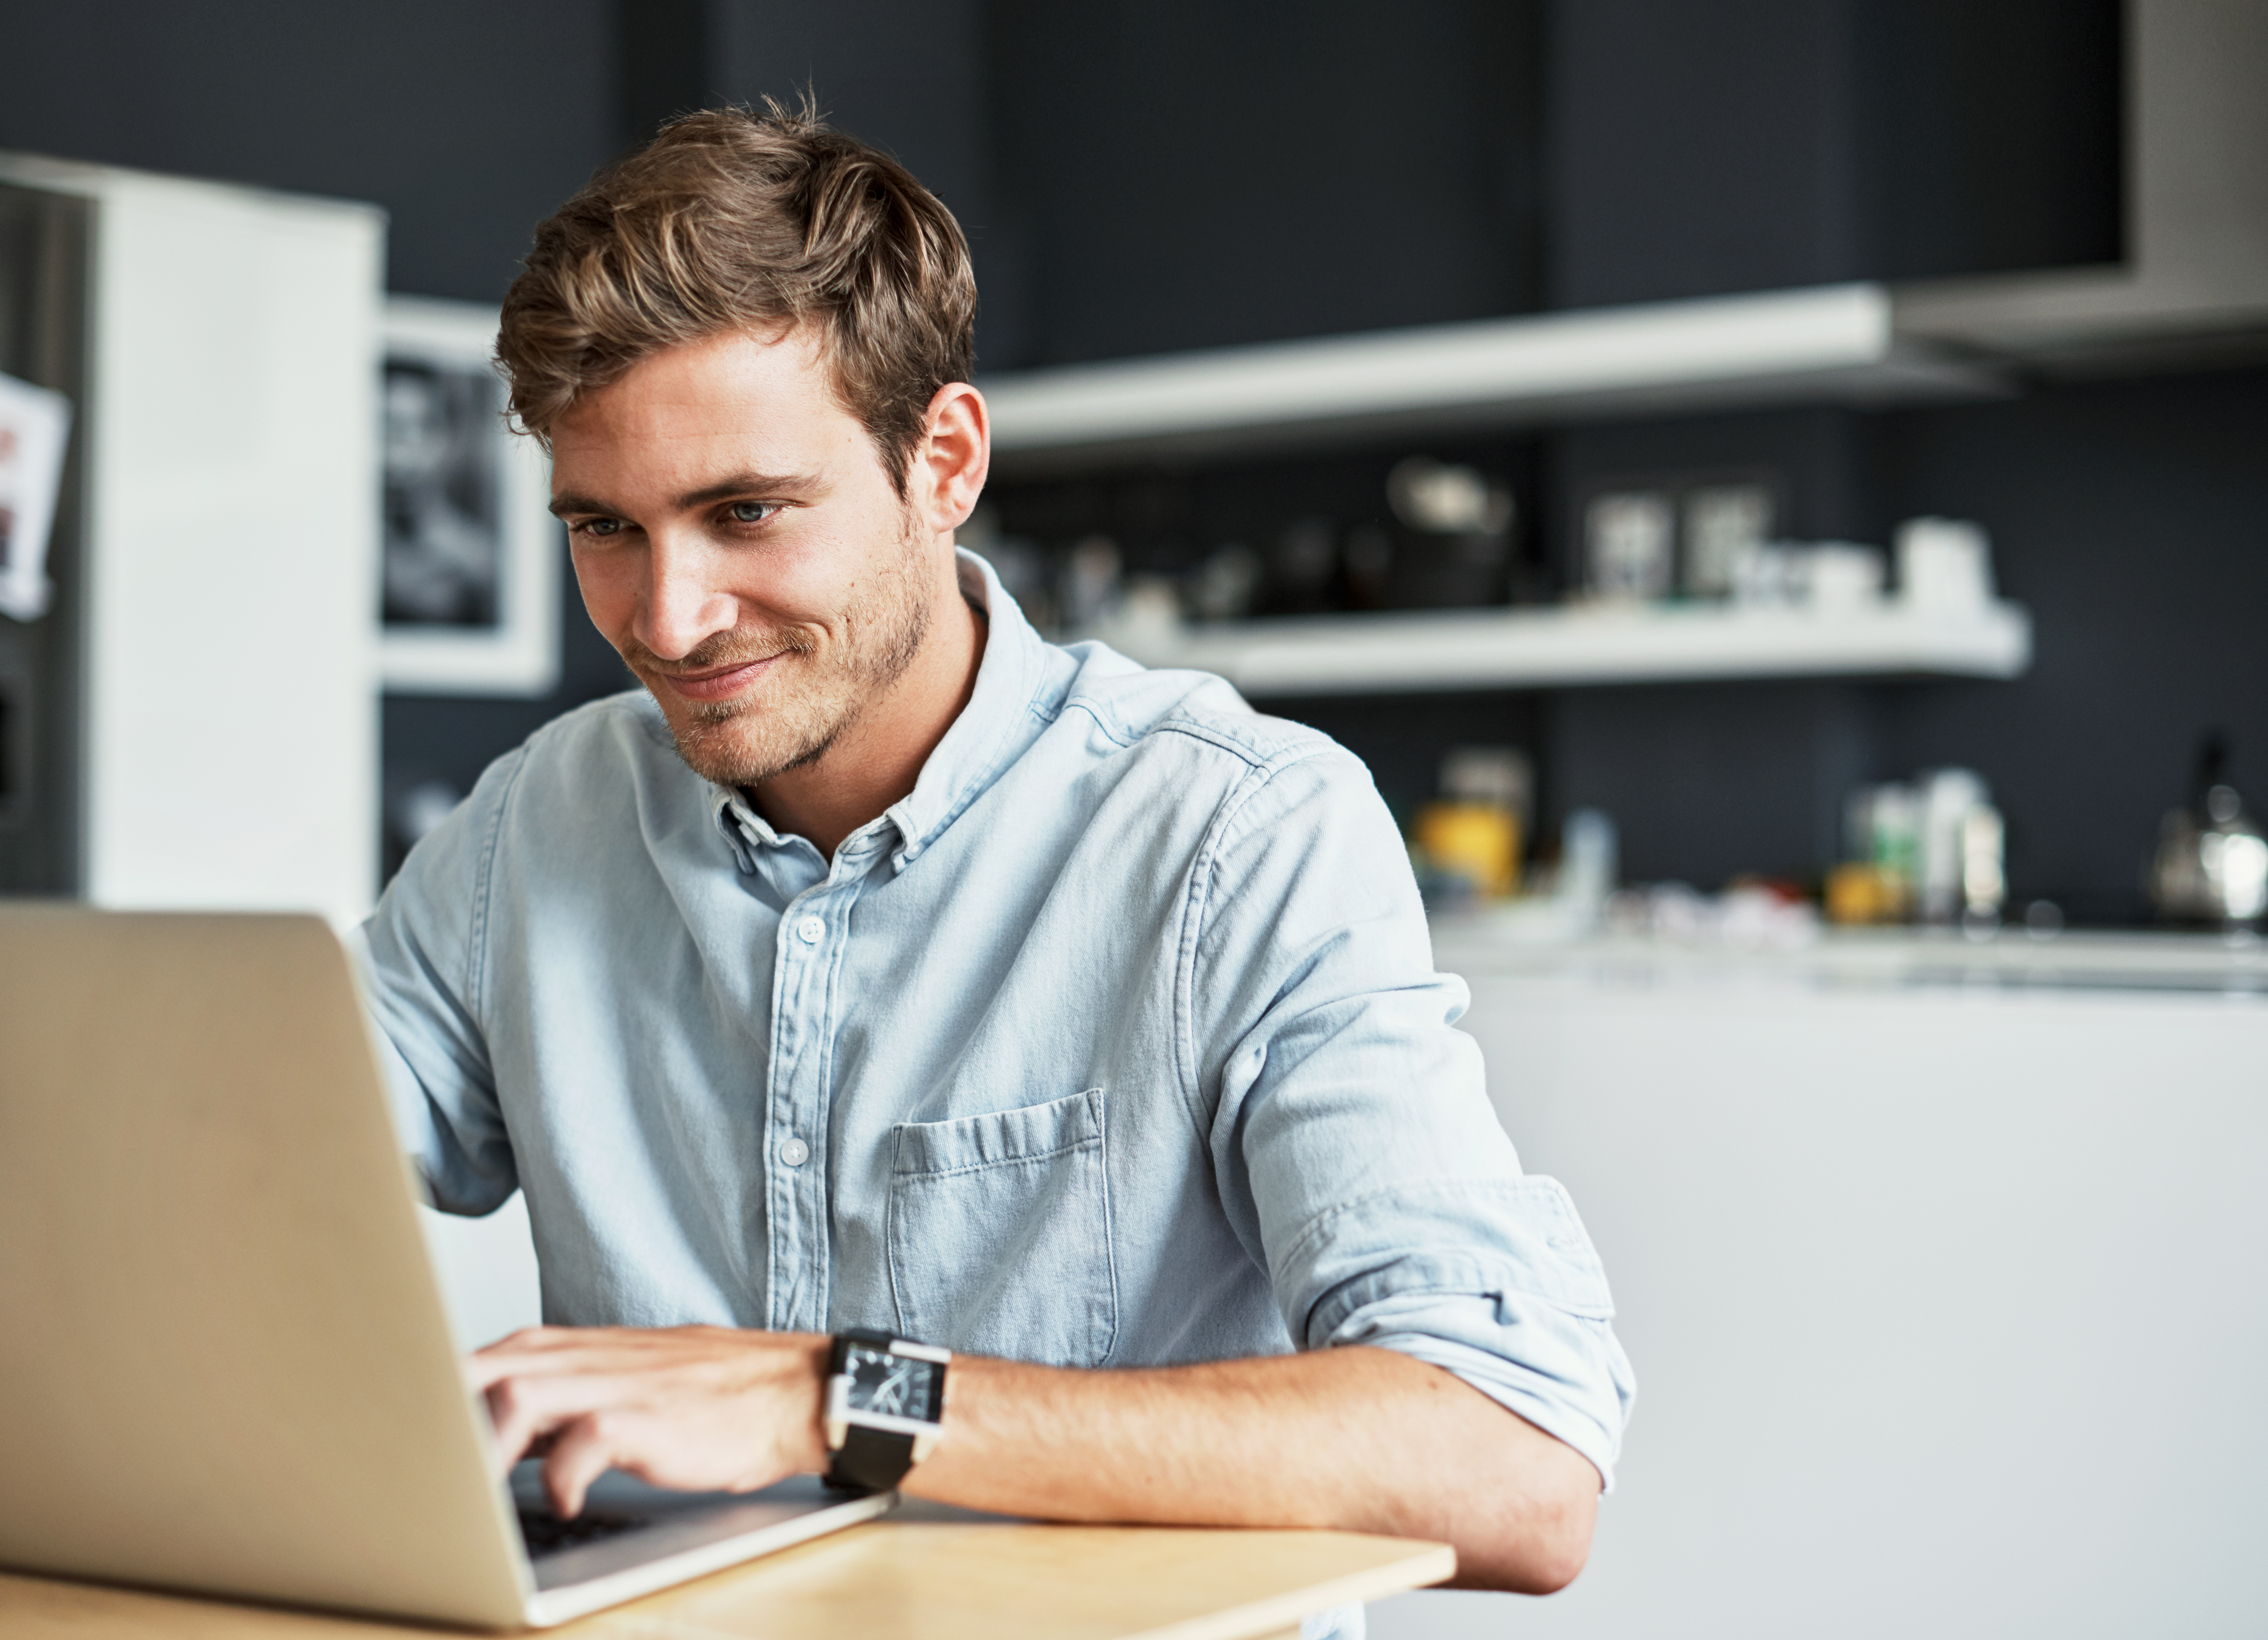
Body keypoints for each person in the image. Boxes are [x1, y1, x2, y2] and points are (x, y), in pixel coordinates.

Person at [354, 103, 1633, 1606]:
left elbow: (1517, 1462)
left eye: (746, 511)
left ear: (942, 460)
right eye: (603, 528)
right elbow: (240, 1178)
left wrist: (836, 1397)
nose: (668, 616)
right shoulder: (534, 824)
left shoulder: (1239, 831)